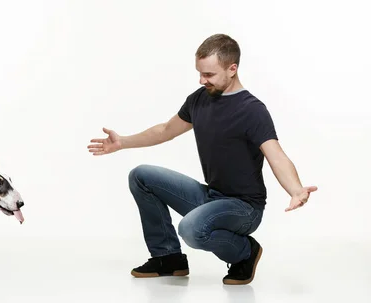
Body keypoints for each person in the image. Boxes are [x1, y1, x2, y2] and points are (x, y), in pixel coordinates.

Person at [87, 33, 317, 285]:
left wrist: (295, 189)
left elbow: (276, 156)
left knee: (191, 228)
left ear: (232, 69)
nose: (201, 80)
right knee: (141, 176)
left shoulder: (252, 110)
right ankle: (168, 258)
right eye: (199, 73)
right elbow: (166, 130)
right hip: (211, 197)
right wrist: (122, 142)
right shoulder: (199, 99)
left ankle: (245, 252)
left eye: (209, 74)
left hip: (244, 208)